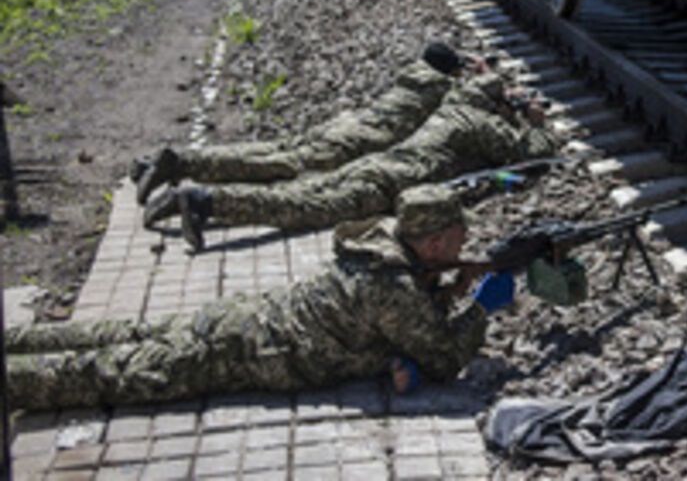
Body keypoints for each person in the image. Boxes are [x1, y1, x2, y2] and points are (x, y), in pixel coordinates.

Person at [5, 185, 517, 411]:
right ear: (432, 244)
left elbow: (406, 319)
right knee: (118, 373)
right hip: (248, 354)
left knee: (121, 334)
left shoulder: (381, 243)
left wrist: (449, 288)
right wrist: (479, 309)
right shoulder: (394, 288)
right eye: (456, 240)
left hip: (245, 319)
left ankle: (18, 338)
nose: (462, 247)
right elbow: (446, 357)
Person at [143, 66, 558, 250]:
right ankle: (204, 201)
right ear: (495, 104)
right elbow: (532, 159)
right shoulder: (477, 121)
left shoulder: (453, 106)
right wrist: (535, 123)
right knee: (300, 207)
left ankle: (194, 189)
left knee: (295, 189)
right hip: (385, 182)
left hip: (376, 167)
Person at [131, 41, 471, 205]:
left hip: (344, 126)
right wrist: (480, 74)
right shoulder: (440, 88)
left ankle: (173, 163)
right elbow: (471, 101)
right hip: (356, 142)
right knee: (278, 166)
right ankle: (177, 166)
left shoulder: (412, 78)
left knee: (271, 150)